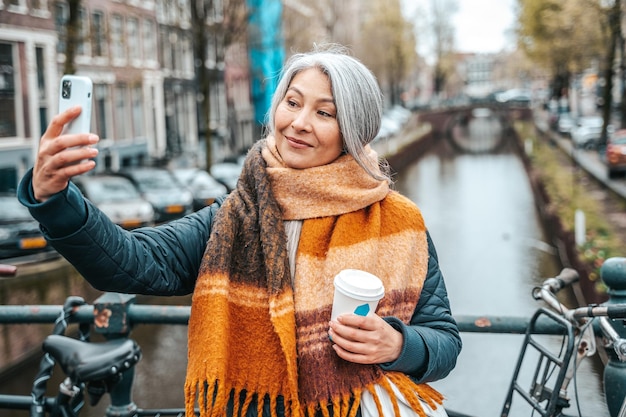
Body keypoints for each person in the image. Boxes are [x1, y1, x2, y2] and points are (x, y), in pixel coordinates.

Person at [18, 44, 461, 417]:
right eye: (292, 102)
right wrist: (55, 198)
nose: (300, 122)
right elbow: (132, 263)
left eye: (324, 112)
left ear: (353, 131)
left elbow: (443, 341)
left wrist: (399, 345)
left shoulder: (400, 223)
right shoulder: (235, 217)